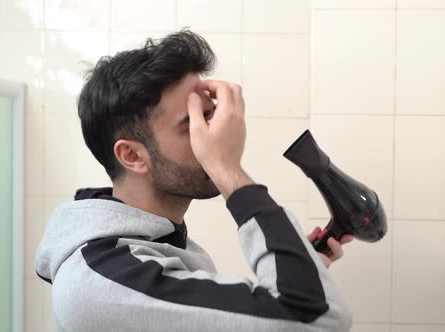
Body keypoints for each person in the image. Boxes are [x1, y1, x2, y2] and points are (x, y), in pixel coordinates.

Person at [35, 29, 353, 332]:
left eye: (210, 115)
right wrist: (227, 169)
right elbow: (312, 321)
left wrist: (300, 271)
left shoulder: (161, 244)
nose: (212, 136)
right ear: (132, 156)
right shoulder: (101, 279)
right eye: (192, 124)